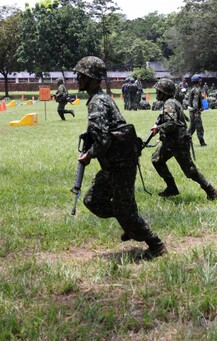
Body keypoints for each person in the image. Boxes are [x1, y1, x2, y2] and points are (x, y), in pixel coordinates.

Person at [73, 56, 167, 260]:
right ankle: (129, 225)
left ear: (90, 77)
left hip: (120, 165)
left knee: (126, 210)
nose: (77, 78)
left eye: (80, 75)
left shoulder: (97, 102)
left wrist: (88, 156)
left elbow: (104, 140)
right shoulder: (101, 99)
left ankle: (156, 245)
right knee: (93, 200)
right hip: (113, 164)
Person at [149, 78, 217, 200]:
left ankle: (212, 191)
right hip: (172, 141)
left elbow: (171, 124)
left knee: (190, 170)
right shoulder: (173, 102)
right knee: (157, 159)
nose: (157, 93)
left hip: (177, 141)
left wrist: (158, 128)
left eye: (159, 91)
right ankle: (172, 188)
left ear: (165, 92)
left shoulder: (169, 103)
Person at [188, 74, 208, 146]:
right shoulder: (196, 90)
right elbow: (195, 102)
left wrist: (201, 106)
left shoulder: (193, 89)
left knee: (192, 127)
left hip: (192, 111)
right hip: (195, 112)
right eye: (200, 80)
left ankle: (184, 139)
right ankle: (202, 142)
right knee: (199, 127)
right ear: (198, 81)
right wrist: (196, 112)